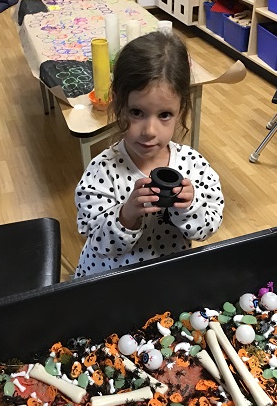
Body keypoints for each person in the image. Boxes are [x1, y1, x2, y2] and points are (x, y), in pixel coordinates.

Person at [75, 31, 224, 277]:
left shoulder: (194, 166)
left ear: (181, 110)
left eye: (164, 115)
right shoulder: (102, 171)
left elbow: (207, 229)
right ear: (119, 105)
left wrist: (190, 205)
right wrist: (126, 215)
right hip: (110, 283)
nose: (149, 131)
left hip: (164, 279)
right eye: (137, 112)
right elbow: (98, 243)